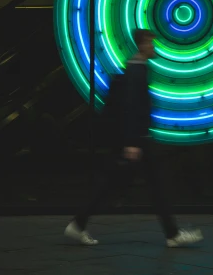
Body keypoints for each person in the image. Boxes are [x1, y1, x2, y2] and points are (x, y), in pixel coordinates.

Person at [64, 29, 203, 248]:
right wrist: (132, 142)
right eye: (150, 44)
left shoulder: (138, 68)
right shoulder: (136, 70)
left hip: (137, 140)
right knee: (127, 185)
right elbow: (131, 107)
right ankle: (172, 234)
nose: (153, 48)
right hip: (137, 141)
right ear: (141, 45)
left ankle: (79, 224)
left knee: (128, 185)